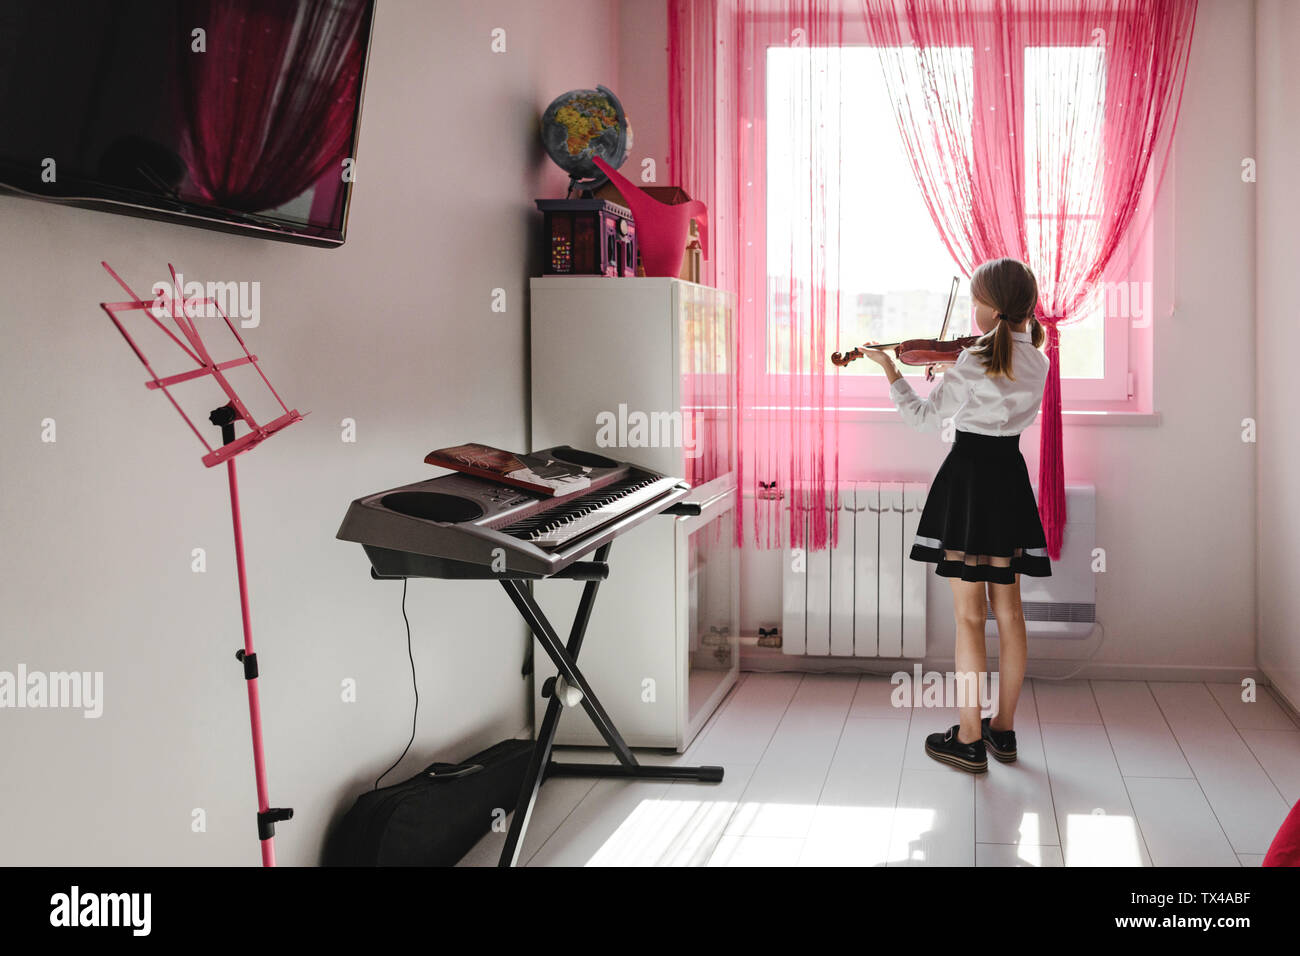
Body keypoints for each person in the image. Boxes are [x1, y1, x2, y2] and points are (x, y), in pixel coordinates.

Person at [858, 257, 1052, 774]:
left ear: (989, 308)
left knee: (969, 618)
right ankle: (1002, 732)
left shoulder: (973, 360)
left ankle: (967, 738)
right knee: (1010, 615)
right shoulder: (1038, 359)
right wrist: (957, 367)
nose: (972, 309)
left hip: (968, 482)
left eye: (976, 301)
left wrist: (892, 372)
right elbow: (1000, 371)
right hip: (1009, 480)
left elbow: (925, 418)